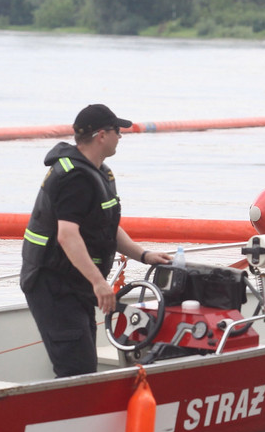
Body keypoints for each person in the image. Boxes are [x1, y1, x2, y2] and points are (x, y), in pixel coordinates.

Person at [20, 104, 172, 377]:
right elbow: (67, 236)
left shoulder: (100, 172)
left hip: (75, 284)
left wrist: (144, 255)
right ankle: (68, 416)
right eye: (117, 131)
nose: (121, 137)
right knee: (76, 369)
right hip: (53, 285)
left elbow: (106, 227)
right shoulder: (74, 177)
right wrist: (99, 283)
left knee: (83, 362)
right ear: (102, 135)